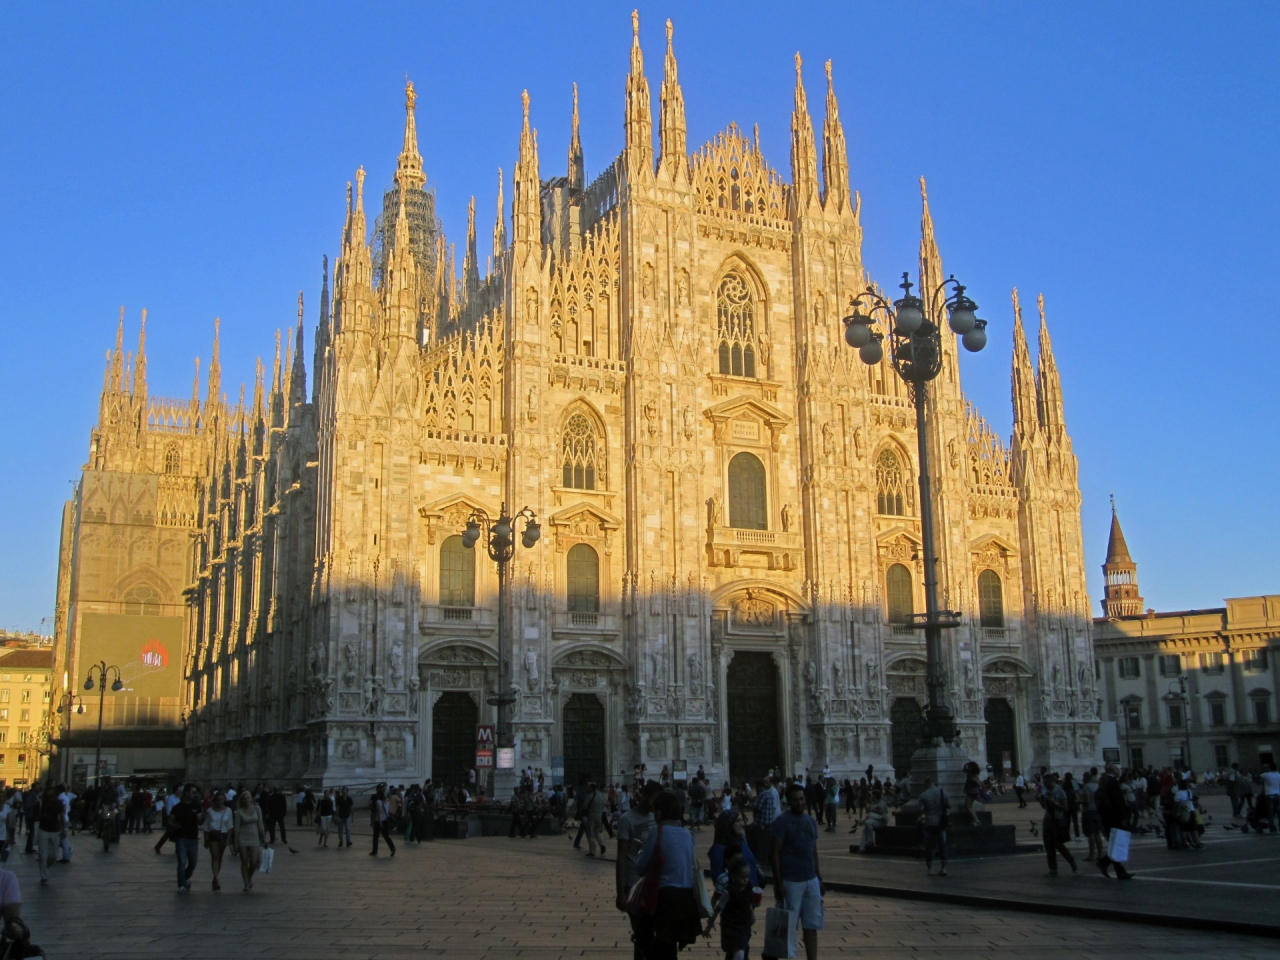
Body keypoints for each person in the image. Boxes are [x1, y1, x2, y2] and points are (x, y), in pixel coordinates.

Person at [635, 791, 703, 960]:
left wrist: (641, 852)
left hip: (663, 900)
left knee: (653, 947)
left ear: (659, 812)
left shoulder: (657, 832)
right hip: (685, 901)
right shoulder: (689, 836)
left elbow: (640, 868)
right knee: (670, 949)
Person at [770, 782, 823, 960]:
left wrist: (819, 877)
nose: (799, 803)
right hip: (791, 881)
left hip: (811, 879)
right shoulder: (781, 822)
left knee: (812, 924)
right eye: (795, 800)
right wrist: (778, 883)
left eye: (801, 799)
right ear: (788, 802)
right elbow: (775, 854)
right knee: (789, 926)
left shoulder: (810, 821)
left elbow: (813, 851)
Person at [616, 780, 661, 960]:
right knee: (642, 933)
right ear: (644, 795)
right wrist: (620, 893)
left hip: (652, 883)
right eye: (654, 799)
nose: (655, 805)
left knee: (647, 935)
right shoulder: (627, 819)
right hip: (633, 883)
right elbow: (621, 857)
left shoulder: (656, 817)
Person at [1094, 762, 1134, 879]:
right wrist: (1123, 817)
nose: (1119, 771)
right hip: (1115, 817)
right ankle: (1105, 863)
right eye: (1117, 769)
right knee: (1118, 843)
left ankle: (1118, 870)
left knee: (1115, 843)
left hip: (1107, 817)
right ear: (1113, 771)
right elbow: (1118, 802)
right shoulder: (1113, 782)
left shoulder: (1105, 782)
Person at [715, 854, 755, 960]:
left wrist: (752, 913)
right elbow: (719, 907)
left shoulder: (748, 887)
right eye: (743, 877)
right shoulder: (728, 892)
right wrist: (710, 925)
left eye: (747, 877)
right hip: (731, 926)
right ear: (733, 876)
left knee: (740, 949)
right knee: (738, 950)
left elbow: (748, 903)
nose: (746, 880)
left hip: (744, 925)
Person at [1040, 773, 1078, 877]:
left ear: (1050, 781)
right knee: (1048, 845)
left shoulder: (1060, 791)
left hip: (1057, 821)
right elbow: (1046, 807)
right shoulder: (1047, 791)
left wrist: (1054, 803)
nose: (1044, 785)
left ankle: (1071, 860)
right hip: (1047, 819)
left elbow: (1065, 807)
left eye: (1045, 783)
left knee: (1057, 844)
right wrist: (1041, 801)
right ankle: (1053, 869)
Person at [232, 789, 266, 891]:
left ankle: (249, 876)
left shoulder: (257, 809)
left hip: (254, 837)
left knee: (254, 861)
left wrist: (263, 837)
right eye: (244, 799)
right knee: (244, 861)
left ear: (251, 798)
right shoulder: (239, 812)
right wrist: (235, 843)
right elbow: (236, 828)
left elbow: (260, 824)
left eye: (248, 798)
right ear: (241, 801)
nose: (246, 800)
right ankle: (246, 883)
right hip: (243, 837)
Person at [202, 790, 233, 890]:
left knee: (220, 857)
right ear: (215, 800)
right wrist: (205, 839)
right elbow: (206, 826)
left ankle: (215, 877)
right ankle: (216, 878)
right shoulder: (210, 811)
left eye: (222, 800)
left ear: (224, 800)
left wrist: (229, 838)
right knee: (214, 856)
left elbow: (230, 826)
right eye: (218, 800)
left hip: (223, 835)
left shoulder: (228, 810)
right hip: (213, 834)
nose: (220, 802)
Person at [918, 777, 949, 878]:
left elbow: (921, 809)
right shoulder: (942, 791)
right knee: (942, 845)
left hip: (929, 822)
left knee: (929, 846)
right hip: (941, 822)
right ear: (934, 783)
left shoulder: (923, 795)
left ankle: (930, 868)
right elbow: (948, 805)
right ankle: (944, 867)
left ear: (926, 784)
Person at [34, 785, 62, 886]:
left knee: (54, 855)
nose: (49, 798)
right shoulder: (40, 803)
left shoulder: (58, 803)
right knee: (42, 854)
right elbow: (35, 817)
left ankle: (45, 867)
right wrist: (41, 816)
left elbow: (61, 815)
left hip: (55, 830)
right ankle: (43, 876)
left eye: (51, 796)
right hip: (43, 830)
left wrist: (63, 829)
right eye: (47, 796)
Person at [370, 785, 395, 857]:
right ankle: (392, 847)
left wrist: (380, 822)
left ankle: (375, 851)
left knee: (375, 836)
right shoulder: (386, 801)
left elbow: (379, 812)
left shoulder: (378, 802)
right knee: (386, 836)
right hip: (386, 820)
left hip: (379, 821)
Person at [582, 782, 606, 857]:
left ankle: (592, 851)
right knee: (598, 832)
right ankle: (602, 844)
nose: (587, 788)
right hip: (599, 815)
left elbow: (585, 806)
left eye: (588, 787)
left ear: (592, 788)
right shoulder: (600, 795)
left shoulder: (589, 796)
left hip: (591, 816)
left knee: (591, 833)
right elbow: (604, 804)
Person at [1262, 762, 1280, 833]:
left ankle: (1272, 827)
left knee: (1270, 812)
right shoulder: (1279, 775)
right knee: (1279, 812)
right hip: (1277, 794)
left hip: (1269, 794)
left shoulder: (1266, 775)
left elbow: (1257, 777)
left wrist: (1264, 769)